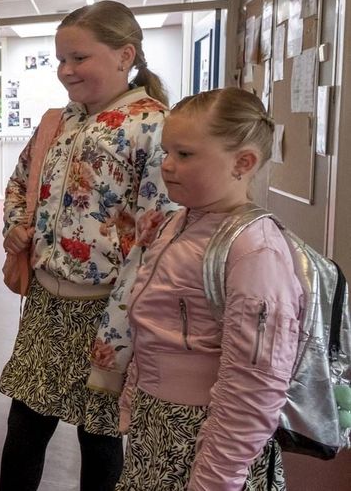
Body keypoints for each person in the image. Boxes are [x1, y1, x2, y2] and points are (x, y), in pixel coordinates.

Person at [0, 1, 176, 491]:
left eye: (79, 58)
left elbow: (159, 234)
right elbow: (18, 184)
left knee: (98, 437)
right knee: (24, 426)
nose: (66, 71)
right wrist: (18, 226)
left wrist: (127, 321)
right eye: (60, 59)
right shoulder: (60, 121)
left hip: (108, 313)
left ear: (125, 55)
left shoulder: (155, 126)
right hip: (45, 305)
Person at [114, 88, 301, 490]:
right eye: (167, 152)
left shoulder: (255, 250)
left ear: (243, 162)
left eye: (185, 155)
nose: (167, 166)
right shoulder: (178, 223)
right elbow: (152, 323)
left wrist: (217, 478)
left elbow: (256, 382)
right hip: (159, 426)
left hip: (207, 445)